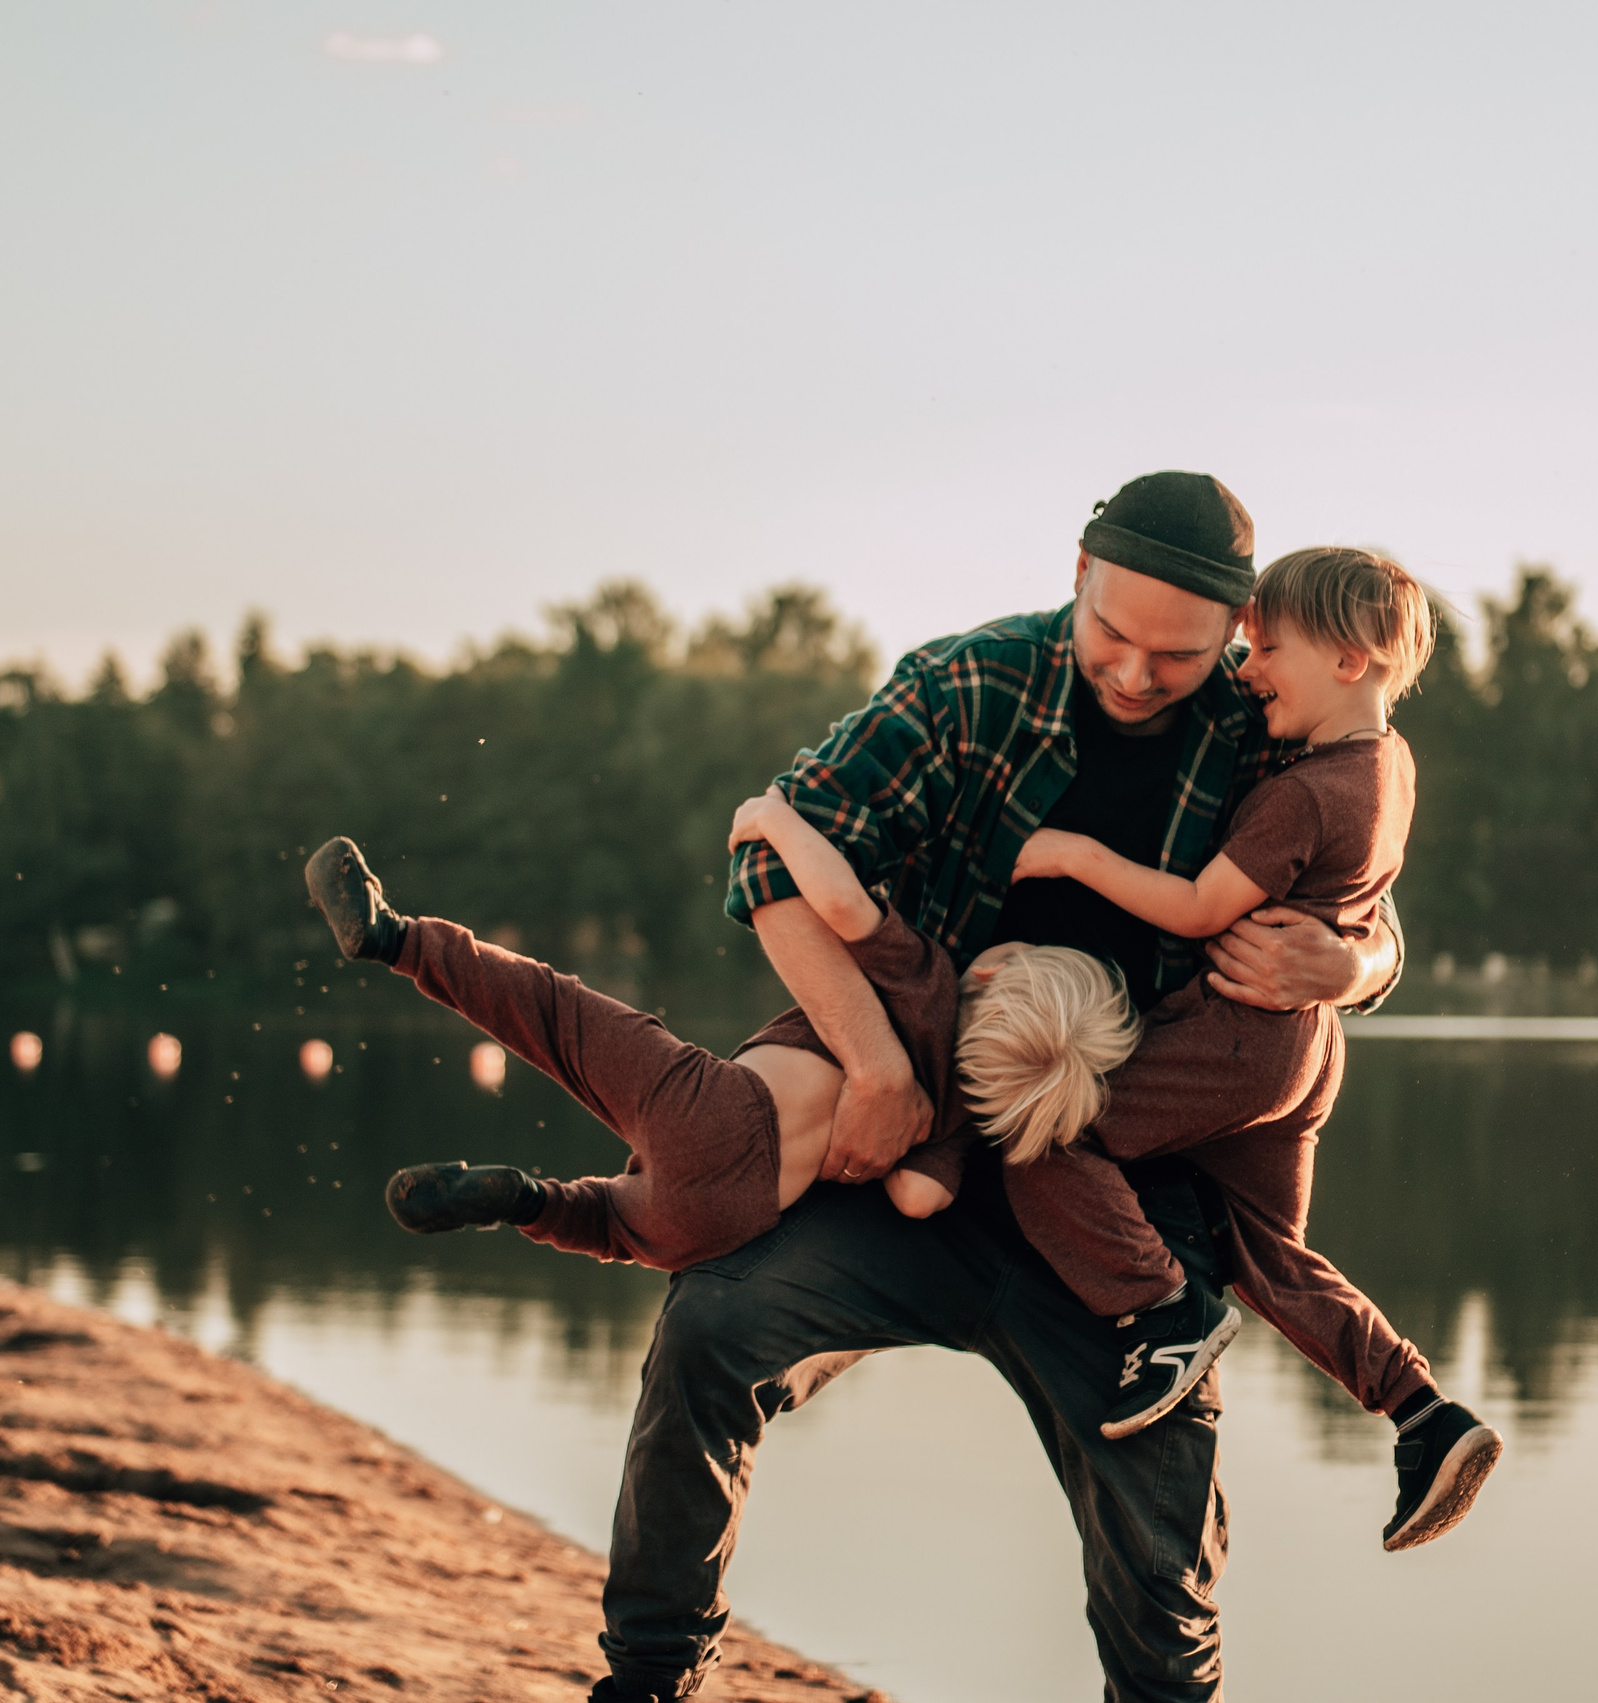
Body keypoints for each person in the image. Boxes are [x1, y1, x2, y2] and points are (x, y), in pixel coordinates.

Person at [314, 471, 1428, 1703]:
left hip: (1121, 1193)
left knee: (1161, 1565)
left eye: (1179, 654)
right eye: (1113, 632)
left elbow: (1359, 855)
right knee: (712, 1328)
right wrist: (880, 1062)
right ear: (1077, 575)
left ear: (1233, 629)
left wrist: (1360, 963)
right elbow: (773, 865)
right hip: (914, 1136)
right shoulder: (969, 684)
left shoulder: (1262, 714)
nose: (1134, 672)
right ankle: (649, 1676)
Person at [723, 547, 1500, 1550]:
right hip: (1299, 1052)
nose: (1251, 669)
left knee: (1043, 1127)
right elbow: (1353, 895)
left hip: (1235, 1037)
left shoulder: (1301, 783)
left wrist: (1074, 856)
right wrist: (1351, 963)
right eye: (1249, 647)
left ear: (1348, 660)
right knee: (1261, 1250)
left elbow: (1203, 905)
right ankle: (1422, 1412)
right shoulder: (1384, 763)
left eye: (1265, 649)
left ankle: (1161, 1310)